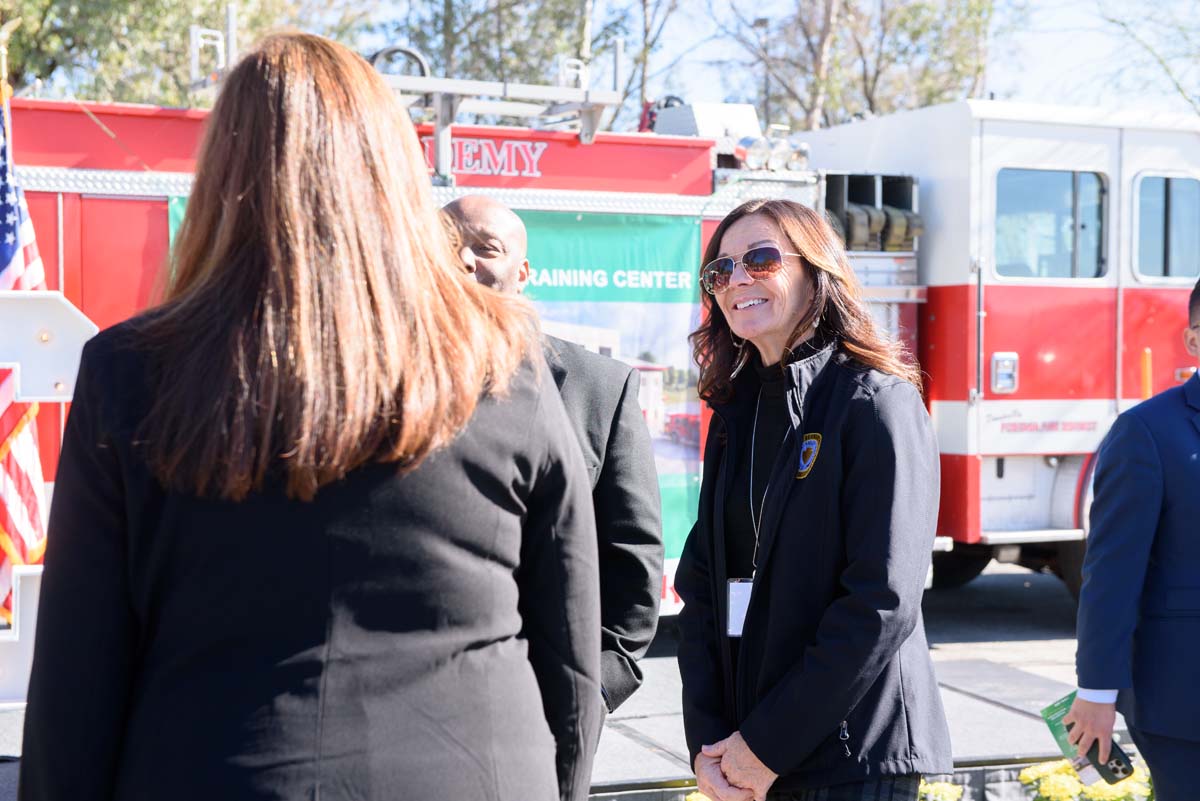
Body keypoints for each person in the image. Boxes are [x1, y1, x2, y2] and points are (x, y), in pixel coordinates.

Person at [20, 34, 603, 801]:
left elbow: (76, 678)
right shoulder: (505, 360)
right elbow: (570, 646)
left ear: (224, 172)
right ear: (393, 172)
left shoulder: (131, 370)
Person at [675, 198, 952, 801]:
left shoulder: (876, 403)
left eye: (761, 258)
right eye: (719, 271)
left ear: (815, 270)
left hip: (852, 760)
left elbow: (881, 601)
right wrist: (712, 742)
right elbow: (702, 585)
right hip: (747, 757)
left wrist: (767, 746)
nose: (737, 279)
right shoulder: (734, 413)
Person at [442, 195, 664, 713]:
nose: (466, 260)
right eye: (448, 246)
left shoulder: (599, 388)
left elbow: (633, 554)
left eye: (486, 247)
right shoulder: (380, 384)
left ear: (522, 273)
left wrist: (592, 692)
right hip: (415, 709)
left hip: (543, 707)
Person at [1065, 277, 1200, 801]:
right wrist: (1097, 691)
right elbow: (1112, 573)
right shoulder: (1147, 432)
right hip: (1184, 703)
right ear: (1192, 341)